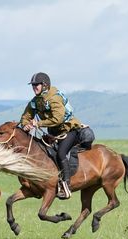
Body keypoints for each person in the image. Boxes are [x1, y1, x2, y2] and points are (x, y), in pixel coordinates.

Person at [20, 72, 81, 200]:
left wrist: (38, 123)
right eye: (33, 85)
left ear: (45, 85)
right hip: (53, 133)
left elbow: (58, 119)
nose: (34, 87)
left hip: (69, 131)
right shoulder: (35, 101)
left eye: (37, 85)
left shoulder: (54, 98)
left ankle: (66, 185)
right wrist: (25, 124)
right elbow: (26, 116)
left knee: (61, 154)